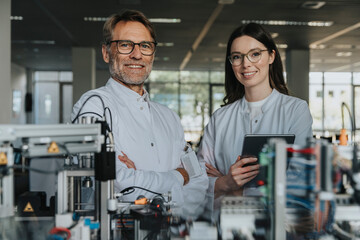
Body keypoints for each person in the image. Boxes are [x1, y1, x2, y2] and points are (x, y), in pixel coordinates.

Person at [71, 10, 208, 219]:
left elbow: (198, 180)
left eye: (145, 46)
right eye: (125, 45)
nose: (137, 54)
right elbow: (112, 183)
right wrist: (179, 176)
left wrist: (141, 180)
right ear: (106, 52)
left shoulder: (169, 117)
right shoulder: (94, 105)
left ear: (152, 54)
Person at [197, 22, 313, 221]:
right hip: (225, 227)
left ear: (271, 56)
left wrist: (235, 192)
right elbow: (198, 179)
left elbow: (299, 180)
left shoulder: (296, 110)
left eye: (255, 54)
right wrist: (225, 183)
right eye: (237, 57)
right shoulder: (220, 118)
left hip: (276, 228)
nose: (246, 64)